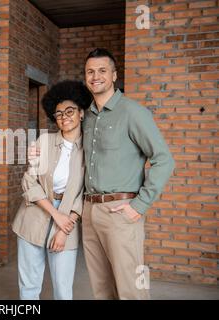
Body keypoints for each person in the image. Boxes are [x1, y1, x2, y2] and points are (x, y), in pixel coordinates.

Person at [82, 48, 175, 299]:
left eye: (102, 70)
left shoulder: (133, 112)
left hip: (120, 211)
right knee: (101, 288)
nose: (95, 76)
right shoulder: (87, 117)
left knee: (131, 289)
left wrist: (139, 205)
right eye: (90, 71)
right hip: (89, 210)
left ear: (114, 75)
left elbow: (164, 160)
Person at [12, 80, 92, 300]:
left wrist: (64, 227)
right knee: (29, 285)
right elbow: (30, 181)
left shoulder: (90, 149)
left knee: (63, 288)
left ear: (82, 113)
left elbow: (85, 192)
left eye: (70, 111)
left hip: (69, 218)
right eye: (58, 114)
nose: (64, 117)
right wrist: (55, 214)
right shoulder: (44, 141)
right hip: (35, 213)